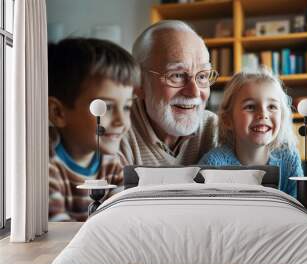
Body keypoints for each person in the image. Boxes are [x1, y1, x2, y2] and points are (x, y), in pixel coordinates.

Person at [48, 38, 134, 222]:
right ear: (58, 112)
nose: (122, 121)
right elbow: (58, 235)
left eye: (127, 107)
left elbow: (124, 220)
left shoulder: (113, 163)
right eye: (107, 107)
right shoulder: (44, 165)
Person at [120, 20, 218, 165]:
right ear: (139, 82)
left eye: (202, 76)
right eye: (177, 75)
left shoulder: (213, 129)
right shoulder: (116, 133)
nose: (195, 92)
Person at [199, 69, 303, 197]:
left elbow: (299, 209)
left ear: (281, 117)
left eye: (272, 107)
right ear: (228, 120)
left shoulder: (289, 159)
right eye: (250, 107)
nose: (263, 114)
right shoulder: (212, 165)